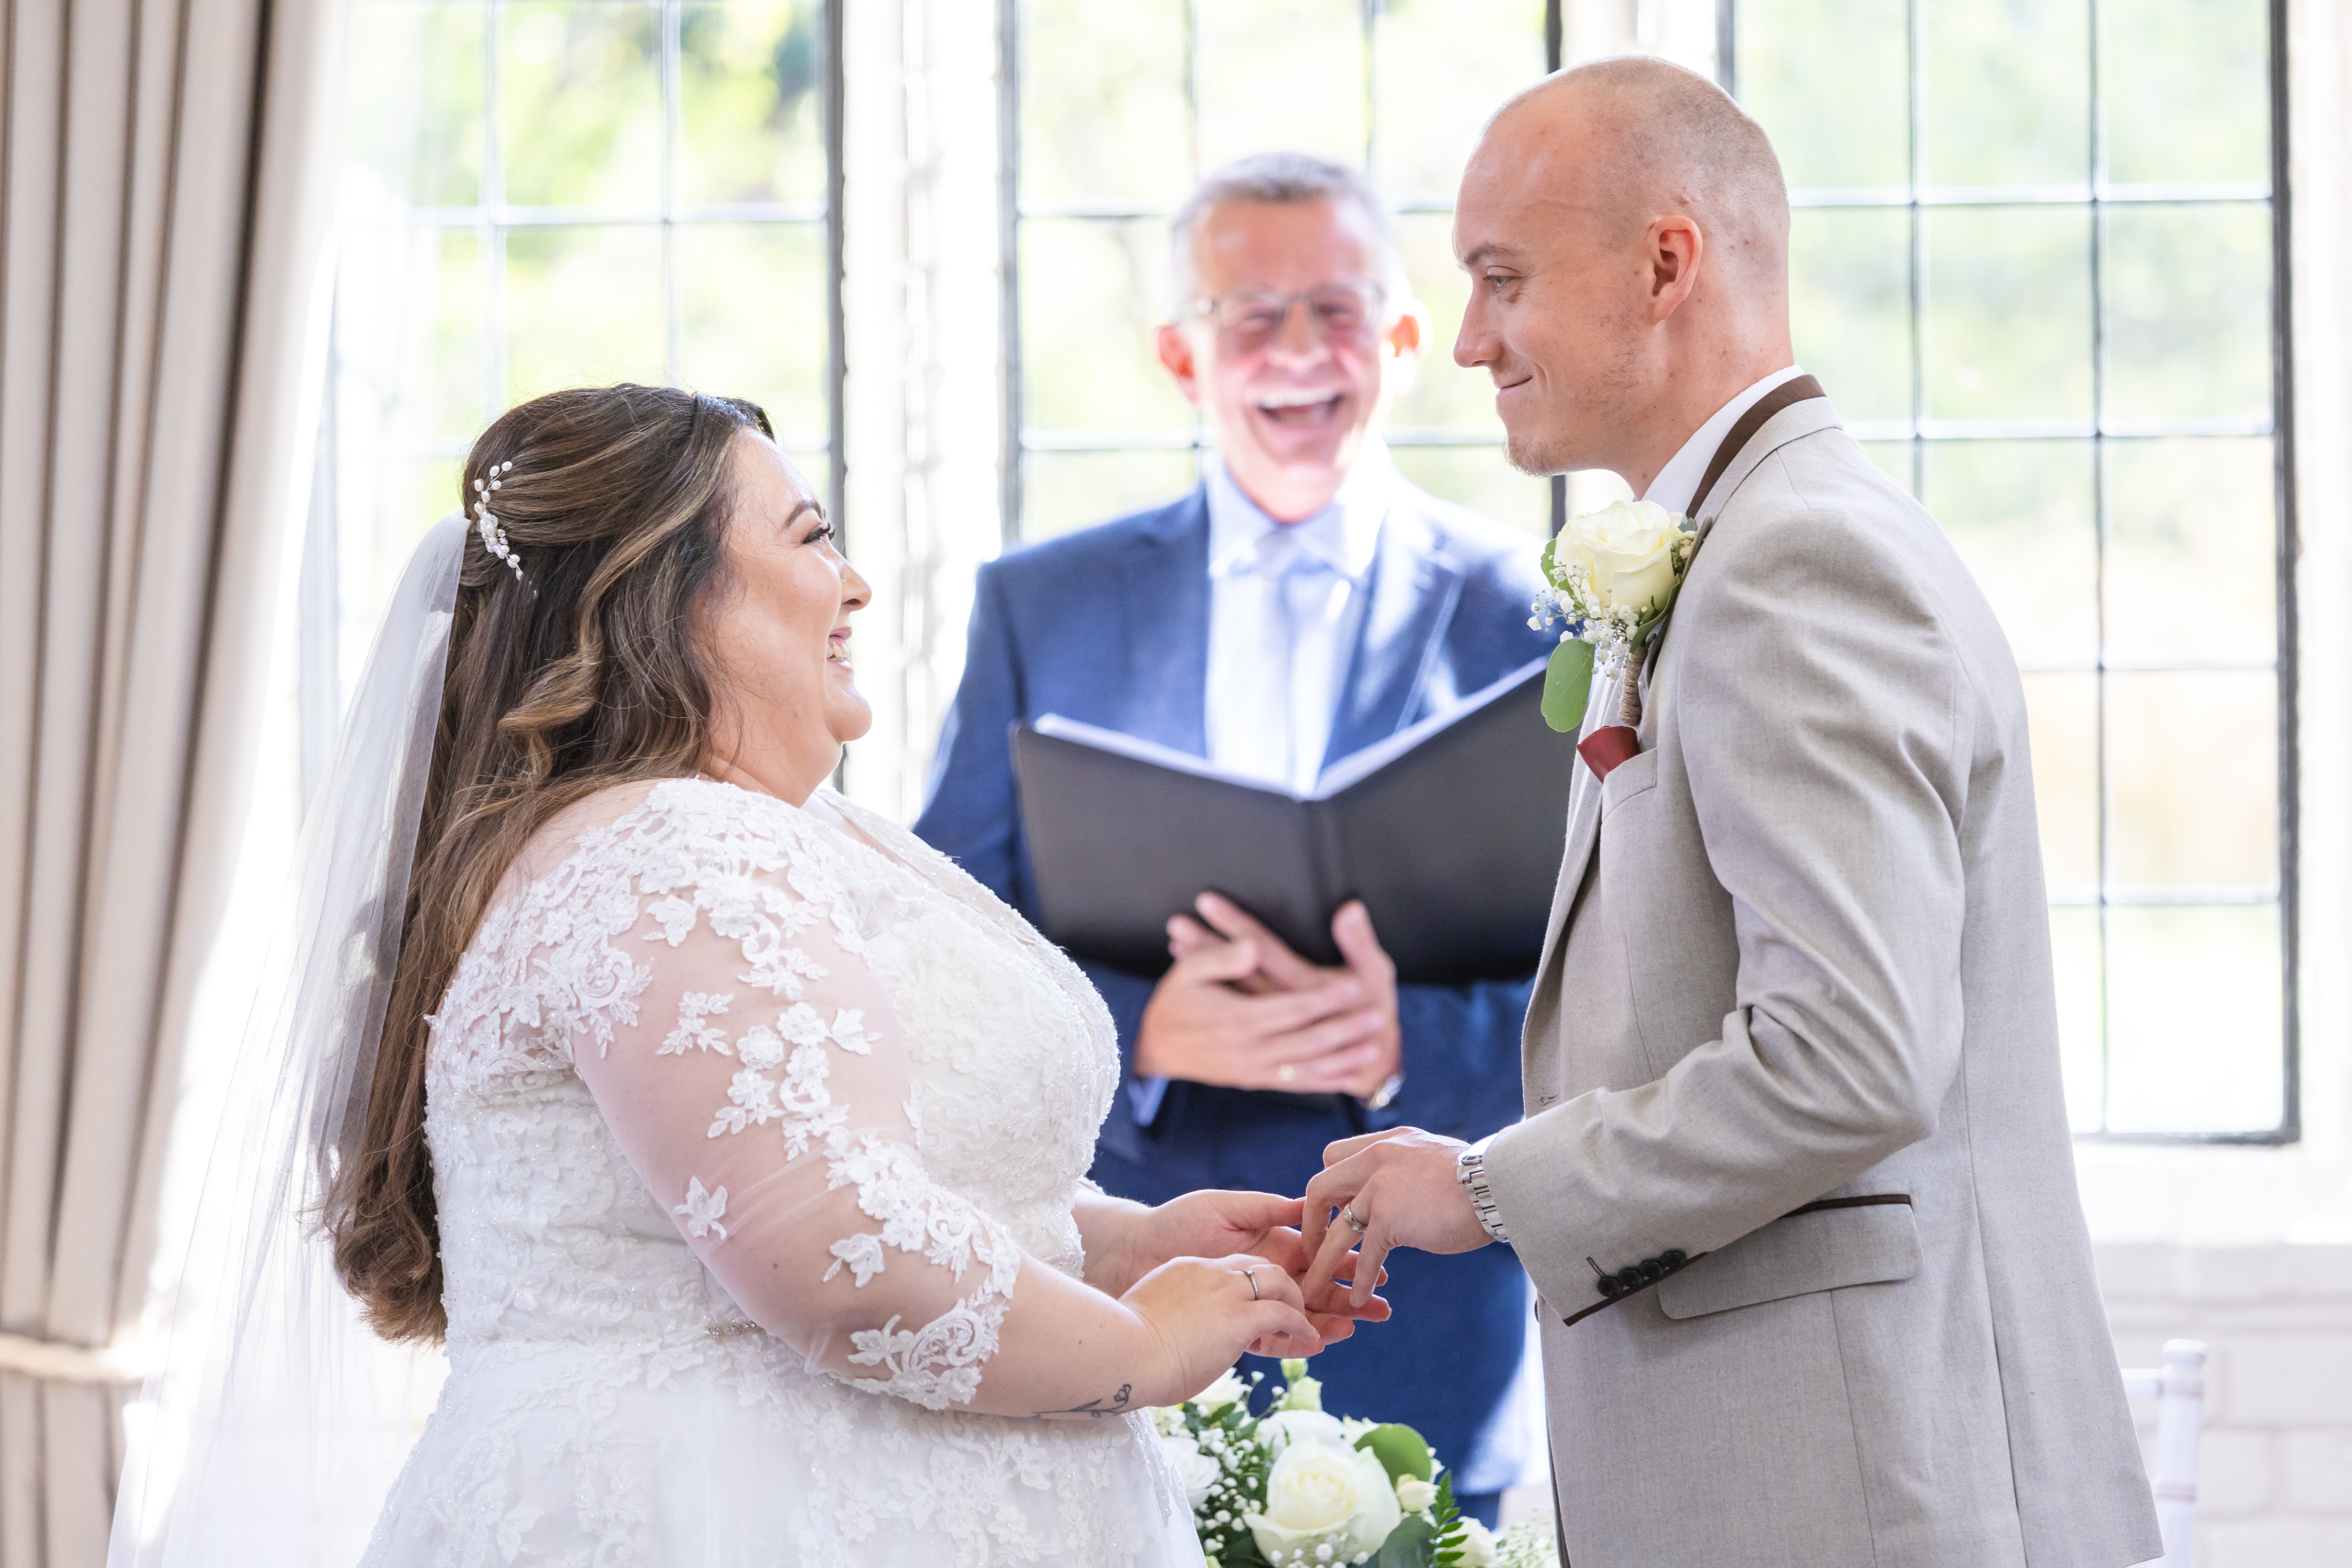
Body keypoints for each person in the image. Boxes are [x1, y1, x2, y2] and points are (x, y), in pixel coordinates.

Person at [118, 385, 1381, 1568]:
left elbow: (835, 1169)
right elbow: (839, 1251)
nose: (857, 582)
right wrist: (1143, 1349)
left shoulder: (781, 835)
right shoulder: (672, 845)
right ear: (669, 602)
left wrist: (1113, 1246)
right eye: (812, 538)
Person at [1297, 59, 2163, 1567]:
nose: (1472, 342)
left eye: (1503, 280)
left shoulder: (1794, 561)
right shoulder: (1743, 540)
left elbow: (1848, 1056)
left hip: (1862, 1493)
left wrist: (1491, 1190)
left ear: (1667, 263)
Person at [914, 153, 1552, 1519]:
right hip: (1114, 1293)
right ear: (1180, 356)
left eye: (1335, 311)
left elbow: (1611, 969)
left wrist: (1406, 1045)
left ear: (1399, 336)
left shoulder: (1537, 614)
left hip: (1429, 1306)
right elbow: (941, 954)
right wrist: (1148, 1035)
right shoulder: (1041, 606)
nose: (1299, 355)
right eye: (1252, 317)